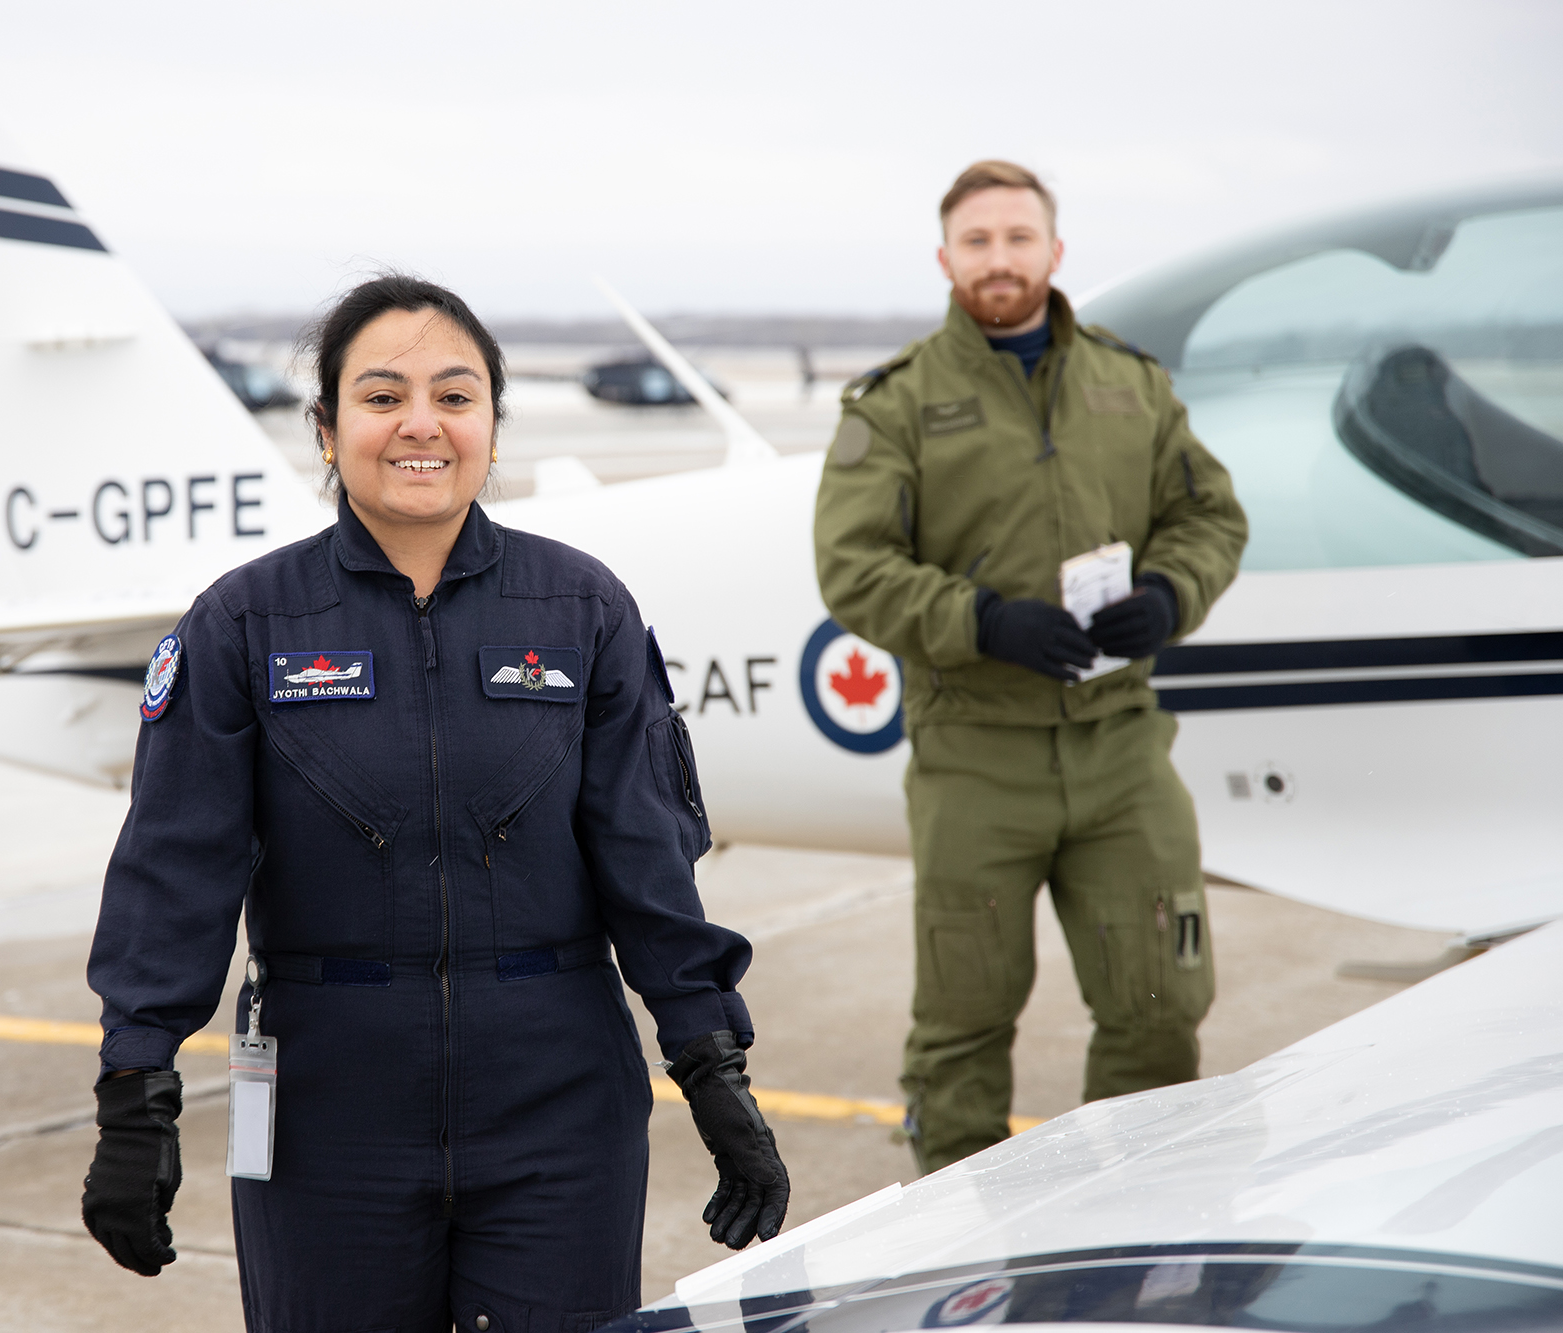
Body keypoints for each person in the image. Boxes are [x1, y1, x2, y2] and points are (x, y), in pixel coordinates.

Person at [80, 275, 789, 1330]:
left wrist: (710, 1064)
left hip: (558, 1114)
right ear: (326, 429)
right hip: (327, 1120)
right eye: (380, 396)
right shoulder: (241, 624)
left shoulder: (581, 608)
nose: (420, 423)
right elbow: (174, 868)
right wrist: (135, 1086)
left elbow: (646, 859)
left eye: (455, 397)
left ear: (491, 427)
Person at [811, 161, 1248, 1174]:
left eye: (1017, 238)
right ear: (944, 260)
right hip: (974, 754)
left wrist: (1171, 592)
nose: (998, 259)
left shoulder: (1127, 382)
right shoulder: (895, 404)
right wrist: (982, 621)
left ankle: (1134, 1224)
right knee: (961, 1027)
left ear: (1053, 252)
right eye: (976, 242)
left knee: (1157, 1008)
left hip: (1119, 746)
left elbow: (1207, 514)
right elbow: (851, 566)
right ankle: (951, 1265)